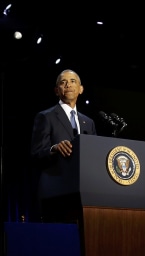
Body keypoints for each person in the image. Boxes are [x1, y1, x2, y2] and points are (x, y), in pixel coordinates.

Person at [29, 69, 97, 221]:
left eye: (73, 81)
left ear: (81, 89)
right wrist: (55, 148)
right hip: (57, 192)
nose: (68, 85)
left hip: (84, 193)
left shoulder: (88, 122)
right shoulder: (46, 116)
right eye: (63, 82)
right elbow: (36, 154)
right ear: (56, 90)